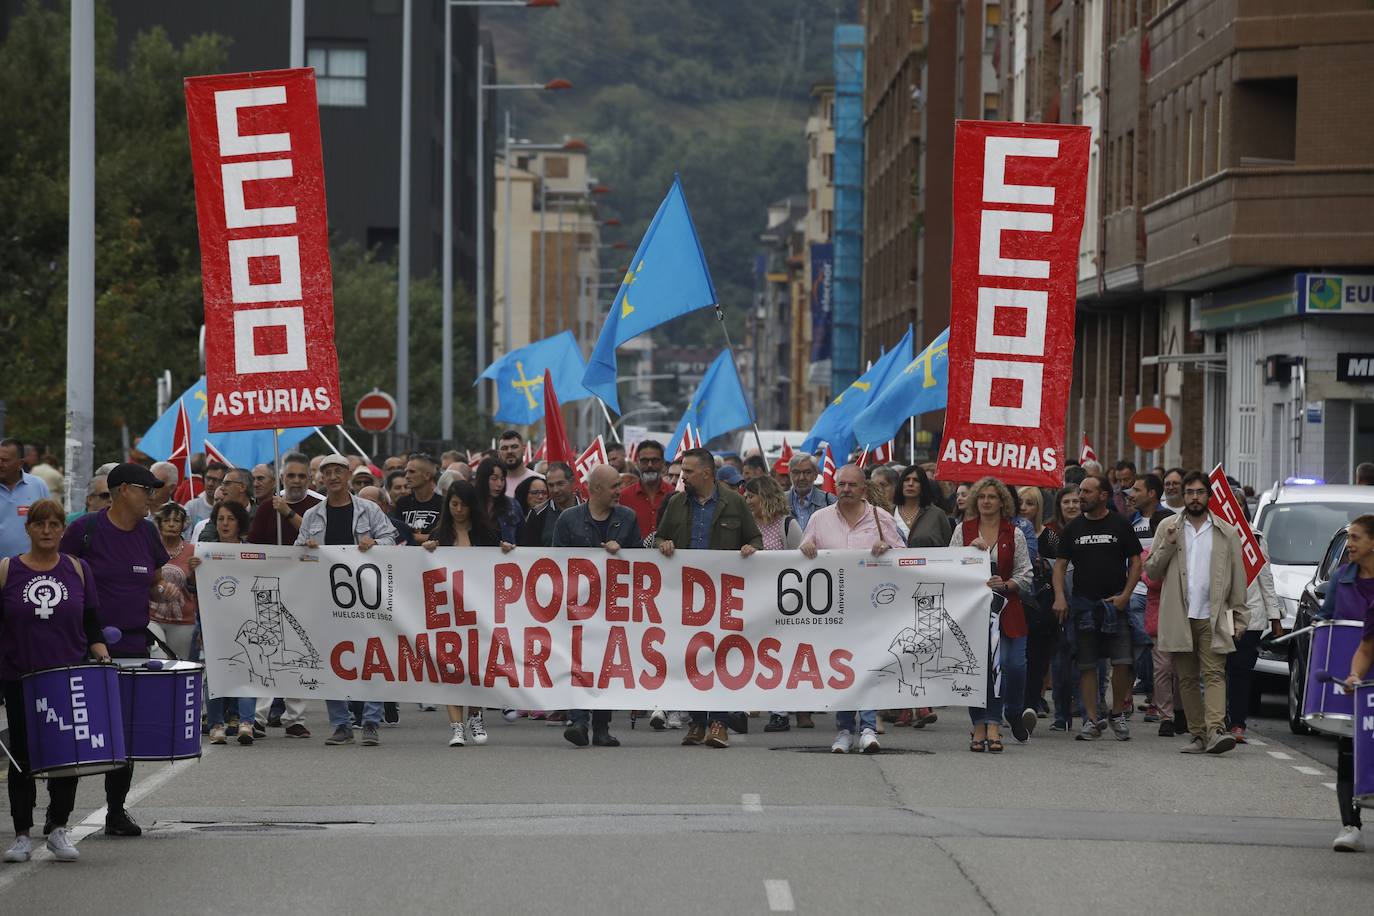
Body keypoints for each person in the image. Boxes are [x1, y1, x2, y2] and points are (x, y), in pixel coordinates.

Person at [59, 462, 172, 837]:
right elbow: (57, 575)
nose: (152, 498)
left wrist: (164, 591)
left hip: (134, 644)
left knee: (124, 734)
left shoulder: (148, 533)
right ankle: (58, 813)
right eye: (147, 490)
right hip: (83, 647)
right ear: (124, 490)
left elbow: (154, 583)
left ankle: (116, 811)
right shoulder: (85, 530)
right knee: (78, 730)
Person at [0, 498, 110, 863]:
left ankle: (59, 828)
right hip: (19, 677)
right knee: (23, 757)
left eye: (54, 525)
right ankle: (20, 834)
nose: (47, 531)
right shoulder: (6, 570)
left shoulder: (77, 570)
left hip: (67, 675)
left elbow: (91, 622)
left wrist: (102, 655)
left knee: (67, 755)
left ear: (63, 529)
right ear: (28, 528)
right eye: (39, 524)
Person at [653, 447, 762, 748]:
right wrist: (663, 544)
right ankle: (698, 722)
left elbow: (755, 539)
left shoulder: (734, 503)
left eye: (688, 472)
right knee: (693, 658)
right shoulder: (676, 503)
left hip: (724, 596)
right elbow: (658, 536)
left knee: (721, 658)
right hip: (688, 597)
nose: (683, 477)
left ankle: (719, 722)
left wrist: (750, 550)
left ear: (707, 473)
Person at [800, 464, 904, 754]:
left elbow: (905, 559)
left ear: (863, 489)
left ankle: (868, 727)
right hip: (834, 609)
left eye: (851, 485)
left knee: (868, 667)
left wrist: (888, 550)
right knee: (842, 668)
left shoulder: (881, 518)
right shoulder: (819, 519)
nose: (845, 489)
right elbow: (801, 555)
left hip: (872, 608)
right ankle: (844, 729)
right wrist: (806, 550)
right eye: (841, 484)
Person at [295, 454, 398, 747]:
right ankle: (340, 724)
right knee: (331, 661)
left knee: (370, 659)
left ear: (348, 475)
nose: (332, 477)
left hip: (366, 599)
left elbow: (392, 541)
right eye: (327, 472)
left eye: (338, 471)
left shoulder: (369, 510)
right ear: (321, 478)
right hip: (326, 600)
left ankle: (371, 722)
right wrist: (307, 547)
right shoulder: (314, 515)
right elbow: (296, 553)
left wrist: (375, 544)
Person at [1146, 471, 1249, 756]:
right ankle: (1198, 735)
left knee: (1215, 673)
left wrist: (1239, 618)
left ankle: (1216, 731)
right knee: (1187, 678)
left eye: (1199, 492)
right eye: (1189, 492)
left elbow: (1238, 579)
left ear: (1209, 496)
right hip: (1180, 615)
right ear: (1183, 496)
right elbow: (1152, 571)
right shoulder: (1168, 526)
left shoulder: (1226, 532)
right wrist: (1167, 542)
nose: (1194, 497)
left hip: (1213, 615)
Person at [553, 464, 642, 748]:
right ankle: (579, 720)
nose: (620, 491)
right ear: (597, 490)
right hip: (578, 606)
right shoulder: (568, 520)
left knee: (606, 664)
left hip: (614, 605)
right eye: (615, 486)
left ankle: (602, 727)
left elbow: (641, 561)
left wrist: (622, 552)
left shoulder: (627, 518)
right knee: (578, 660)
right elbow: (554, 562)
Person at [1051, 473, 1142, 743]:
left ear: (1103, 495)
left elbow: (1136, 562)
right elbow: (1059, 566)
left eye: (1087, 492)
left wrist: (1126, 595)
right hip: (1083, 605)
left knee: (1123, 662)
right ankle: (1091, 719)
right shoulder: (1073, 528)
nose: (1081, 496)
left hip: (1115, 605)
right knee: (1087, 665)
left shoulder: (1120, 524)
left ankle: (1116, 713)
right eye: (1080, 491)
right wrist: (1060, 597)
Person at [422, 480, 512, 747]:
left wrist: (506, 551)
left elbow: (500, 561)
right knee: (450, 667)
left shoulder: (487, 534)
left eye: (463, 504)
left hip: (478, 612)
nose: (458, 510)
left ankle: (475, 716)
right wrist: (426, 550)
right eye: (453, 504)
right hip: (447, 611)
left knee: (474, 667)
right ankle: (456, 727)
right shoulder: (439, 534)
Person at [950, 477, 1034, 751]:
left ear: (1002, 501)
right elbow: (949, 568)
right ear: (976, 500)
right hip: (975, 611)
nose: (986, 501)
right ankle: (984, 725)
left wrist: (1007, 584)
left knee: (1012, 665)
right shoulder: (963, 530)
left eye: (992, 497)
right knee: (981, 670)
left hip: (1008, 610)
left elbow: (1026, 574)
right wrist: (967, 556)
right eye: (982, 496)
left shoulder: (1015, 533)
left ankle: (1011, 710)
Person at [243, 453, 318, 737]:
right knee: (267, 647)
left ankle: (294, 717)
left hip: (304, 587)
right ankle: (259, 716)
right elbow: (253, 546)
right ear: (282, 478)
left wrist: (287, 512)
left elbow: (321, 542)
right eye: (291, 476)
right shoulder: (266, 508)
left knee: (298, 649)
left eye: (302, 476)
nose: (297, 480)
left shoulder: (316, 506)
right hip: (269, 585)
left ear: (308, 478)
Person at [189, 500, 259, 744]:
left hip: (246, 622)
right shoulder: (205, 553)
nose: (225, 524)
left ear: (240, 522)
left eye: (230, 518)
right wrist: (194, 570)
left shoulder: (253, 551)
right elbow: (195, 589)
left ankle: (246, 722)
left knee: (248, 670)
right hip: (215, 623)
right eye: (220, 519)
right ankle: (217, 724)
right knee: (217, 672)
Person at [741, 474, 806, 734]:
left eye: (751, 495)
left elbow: (800, 560)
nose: (746, 500)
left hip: (781, 603)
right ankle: (744, 706)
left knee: (778, 656)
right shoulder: (745, 525)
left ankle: (779, 712)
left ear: (765, 496)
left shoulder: (787, 525)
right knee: (749, 653)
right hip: (751, 601)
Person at [1329, 516, 1374, 851]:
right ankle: (1351, 825)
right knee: (1348, 747)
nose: (1350, 544)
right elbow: (1363, 644)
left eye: (1356, 537)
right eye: (1348, 538)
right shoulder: (1341, 578)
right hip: (1353, 675)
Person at [1228, 529, 1283, 743]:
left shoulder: (1255, 538)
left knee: (1240, 670)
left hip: (1251, 615)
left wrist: (1274, 616)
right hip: (1220, 612)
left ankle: (1237, 723)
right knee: (1217, 668)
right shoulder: (1212, 531)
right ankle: (1216, 719)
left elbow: (1265, 577)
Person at [1127, 474, 1173, 718]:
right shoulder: (1130, 522)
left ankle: (1157, 697)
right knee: (1139, 645)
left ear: (1152, 494)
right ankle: (1137, 691)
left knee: (1160, 652)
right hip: (1136, 592)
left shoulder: (1169, 520)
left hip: (1164, 596)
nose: (1131, 494)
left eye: (1136, 489)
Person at [1043, 486, 1080, 732]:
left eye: (1076, 501)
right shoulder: (1051, 533)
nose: (1071, 506)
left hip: (1084, 600)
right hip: (1057, 602)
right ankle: (1061, 714)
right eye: (1066, 501)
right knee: (1059, 660)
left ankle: (1088, 708)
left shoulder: (1090, 527)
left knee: (1085, 659)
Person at [1019, 486, 1057, 722]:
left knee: (1037, 655)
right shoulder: (1009, 532)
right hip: (1016, 600)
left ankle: (1031, 703)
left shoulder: (1049, 536)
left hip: (1041, 602)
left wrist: (1045, 564)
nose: (1024, 507)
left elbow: (1063, 566)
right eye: (1021, 502)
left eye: (1030, 503)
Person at [149, 502, 197, 663]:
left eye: (176, 521)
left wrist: (195, 571)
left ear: (183, 525)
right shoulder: (150, 546)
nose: (171, 524)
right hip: (152, 617)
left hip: (182, 620)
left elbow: (196, 587)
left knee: (178, 664)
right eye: (167, 520)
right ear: (159, 523)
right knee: (158, 658)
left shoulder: (193, 551)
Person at [0, 437, 51, 559]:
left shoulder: (38, 485)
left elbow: (49, 523)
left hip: (29, 569)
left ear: (20, 464)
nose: (0, 464)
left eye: (5, 460)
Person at [619, 440, 673, 538]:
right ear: (637, 463)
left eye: (655, 460)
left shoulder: (675, 495)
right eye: (644, 461)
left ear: (663, 463)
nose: (649, 465)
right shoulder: (623, 497)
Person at [520, 462, 578, 548]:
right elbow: (528, 552)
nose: (555, 490)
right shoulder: (537, 514)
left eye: (560, 484)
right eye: (551, 485)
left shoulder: (590, 509)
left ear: (572, 481)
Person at [397, 452, 443, 545]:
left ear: (427, 475)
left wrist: (410, 536)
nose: (407, 476)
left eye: (412, 471)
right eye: (406, 472)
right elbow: (397, 534)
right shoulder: (402, 503)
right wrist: (426, 537)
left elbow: (443, 536)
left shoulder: (443, 503)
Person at [194, 467, 252, 542]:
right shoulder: (220, 511)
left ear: (242, 487)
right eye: (221, 519)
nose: (222, 488)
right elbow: (204, 539)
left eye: (227, 483)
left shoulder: (261, 513)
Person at [475, 458, 522, 544]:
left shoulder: (512, 506)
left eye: (502, 479)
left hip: (506, 556)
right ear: (483, 479)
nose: (499, 484)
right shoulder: (471, 503)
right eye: (494, 479)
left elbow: (523, 538)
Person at [785, 452, 834, 530]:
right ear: (790, 475)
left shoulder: (830, 501)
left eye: (807, 472)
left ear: (815, 475)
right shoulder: (779, 501)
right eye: (796, 473)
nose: (801, 478)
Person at [184, 461, 226, 535]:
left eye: (215, 480)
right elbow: (186, 536)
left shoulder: (229, 508)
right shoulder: (191, 506)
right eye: (208, 478)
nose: (210, 483)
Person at [497, 430, 542, 497]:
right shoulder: (493, 485)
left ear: (523, 450)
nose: (509, 451)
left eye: (514, 447)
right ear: (498, 453)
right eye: (504, 448)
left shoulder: (540, 481)